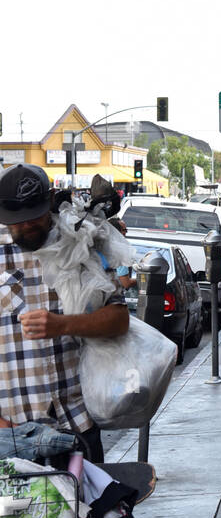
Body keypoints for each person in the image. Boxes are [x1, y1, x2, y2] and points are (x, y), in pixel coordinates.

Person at [0, 164, 129, 463]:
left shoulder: (78, 241)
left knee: (96, 508)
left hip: (76, 426)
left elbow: (119, 319)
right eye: (18, 221)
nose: (28, 226)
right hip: (11, 436)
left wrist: (64, 324)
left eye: (35, 217)